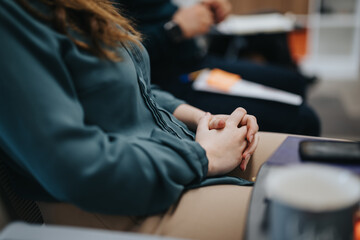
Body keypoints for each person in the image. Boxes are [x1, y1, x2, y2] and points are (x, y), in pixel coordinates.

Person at [0, 1, 307, 240]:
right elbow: (77, 169)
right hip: (125, 204)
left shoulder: (82, 6)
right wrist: (205, 156)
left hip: (172, 154)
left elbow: (135, 87)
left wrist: (207, 120)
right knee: (318, 217)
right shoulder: (13, 18)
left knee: (329, 162)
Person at [116, 0, 321, 136]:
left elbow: (149, 13)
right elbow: (118, 58)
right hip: (167, 81)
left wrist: (204, 11)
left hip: (195, 62)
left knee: (295, 82)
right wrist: (174, 31)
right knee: (304, 119)